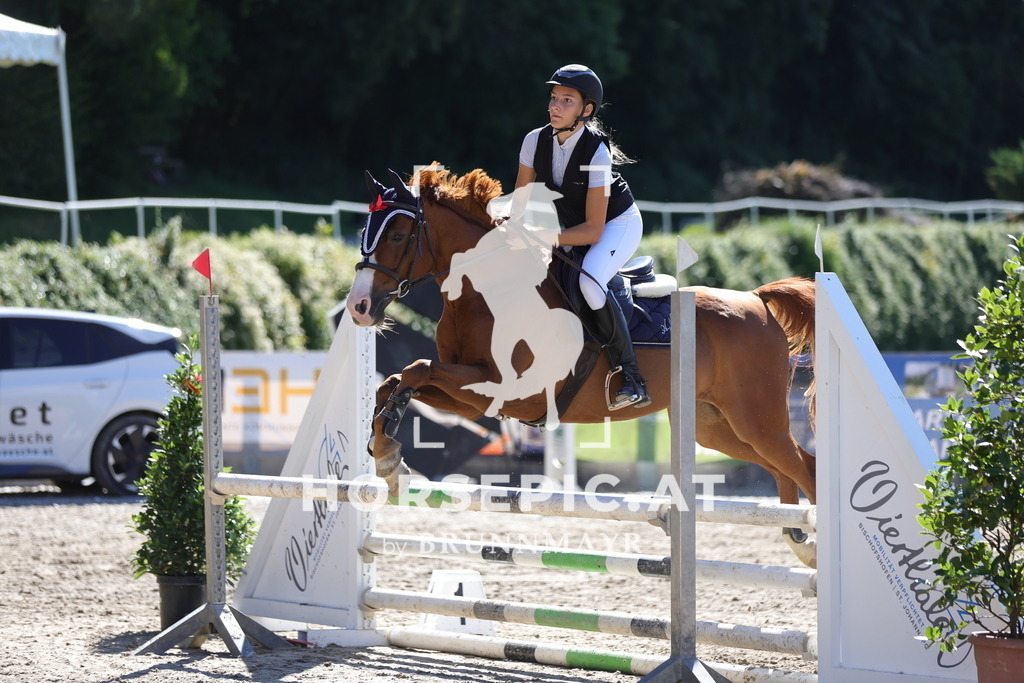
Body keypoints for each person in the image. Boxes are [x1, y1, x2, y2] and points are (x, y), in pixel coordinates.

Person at [514, 64, 650, 409]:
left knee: (589, 283)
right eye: (553, 97)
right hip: (573, 225)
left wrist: (546, 236)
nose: (555, 106)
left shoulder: (596, 153)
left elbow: (593, 229)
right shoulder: (534, 141)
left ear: (586, 110)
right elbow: (520, 205)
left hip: (616, 225)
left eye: (567, 100)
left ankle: (632, 377)